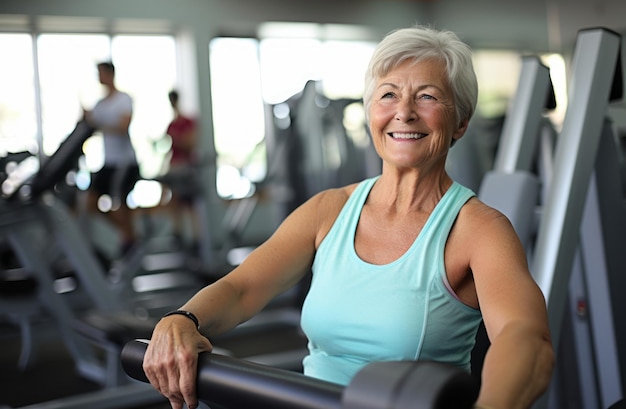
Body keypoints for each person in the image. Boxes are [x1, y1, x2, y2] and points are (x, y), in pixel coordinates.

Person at [142, 25, 554, 409]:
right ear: (371, 112)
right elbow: (242, 287)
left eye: (427, 96)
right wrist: (183, 318)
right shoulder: (329, 210)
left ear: (460, 122)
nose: (404, 112)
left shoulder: (478, 229)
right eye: (388, 95)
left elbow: (524, 339)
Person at [83, 61, 139, 256]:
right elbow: (88, 123)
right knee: (90, 201)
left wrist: (98, 126)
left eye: (100, 73)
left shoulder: (124, 99)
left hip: (125, 162)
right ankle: (128, 234)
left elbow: (123, 127)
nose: (98, 77)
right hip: (108, 162)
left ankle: (129, 238)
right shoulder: (99, 104)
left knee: (119, 203)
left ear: (110, 74)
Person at [161, 89, 199, 249]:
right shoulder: (171, 125)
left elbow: (190, 144)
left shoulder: (187, 121)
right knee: (174, 201)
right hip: (175, 166)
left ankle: (197, 239)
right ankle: (178, 234)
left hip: (186, 167)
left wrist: (178, 139)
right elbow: (170, 149)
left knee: (189, 204)